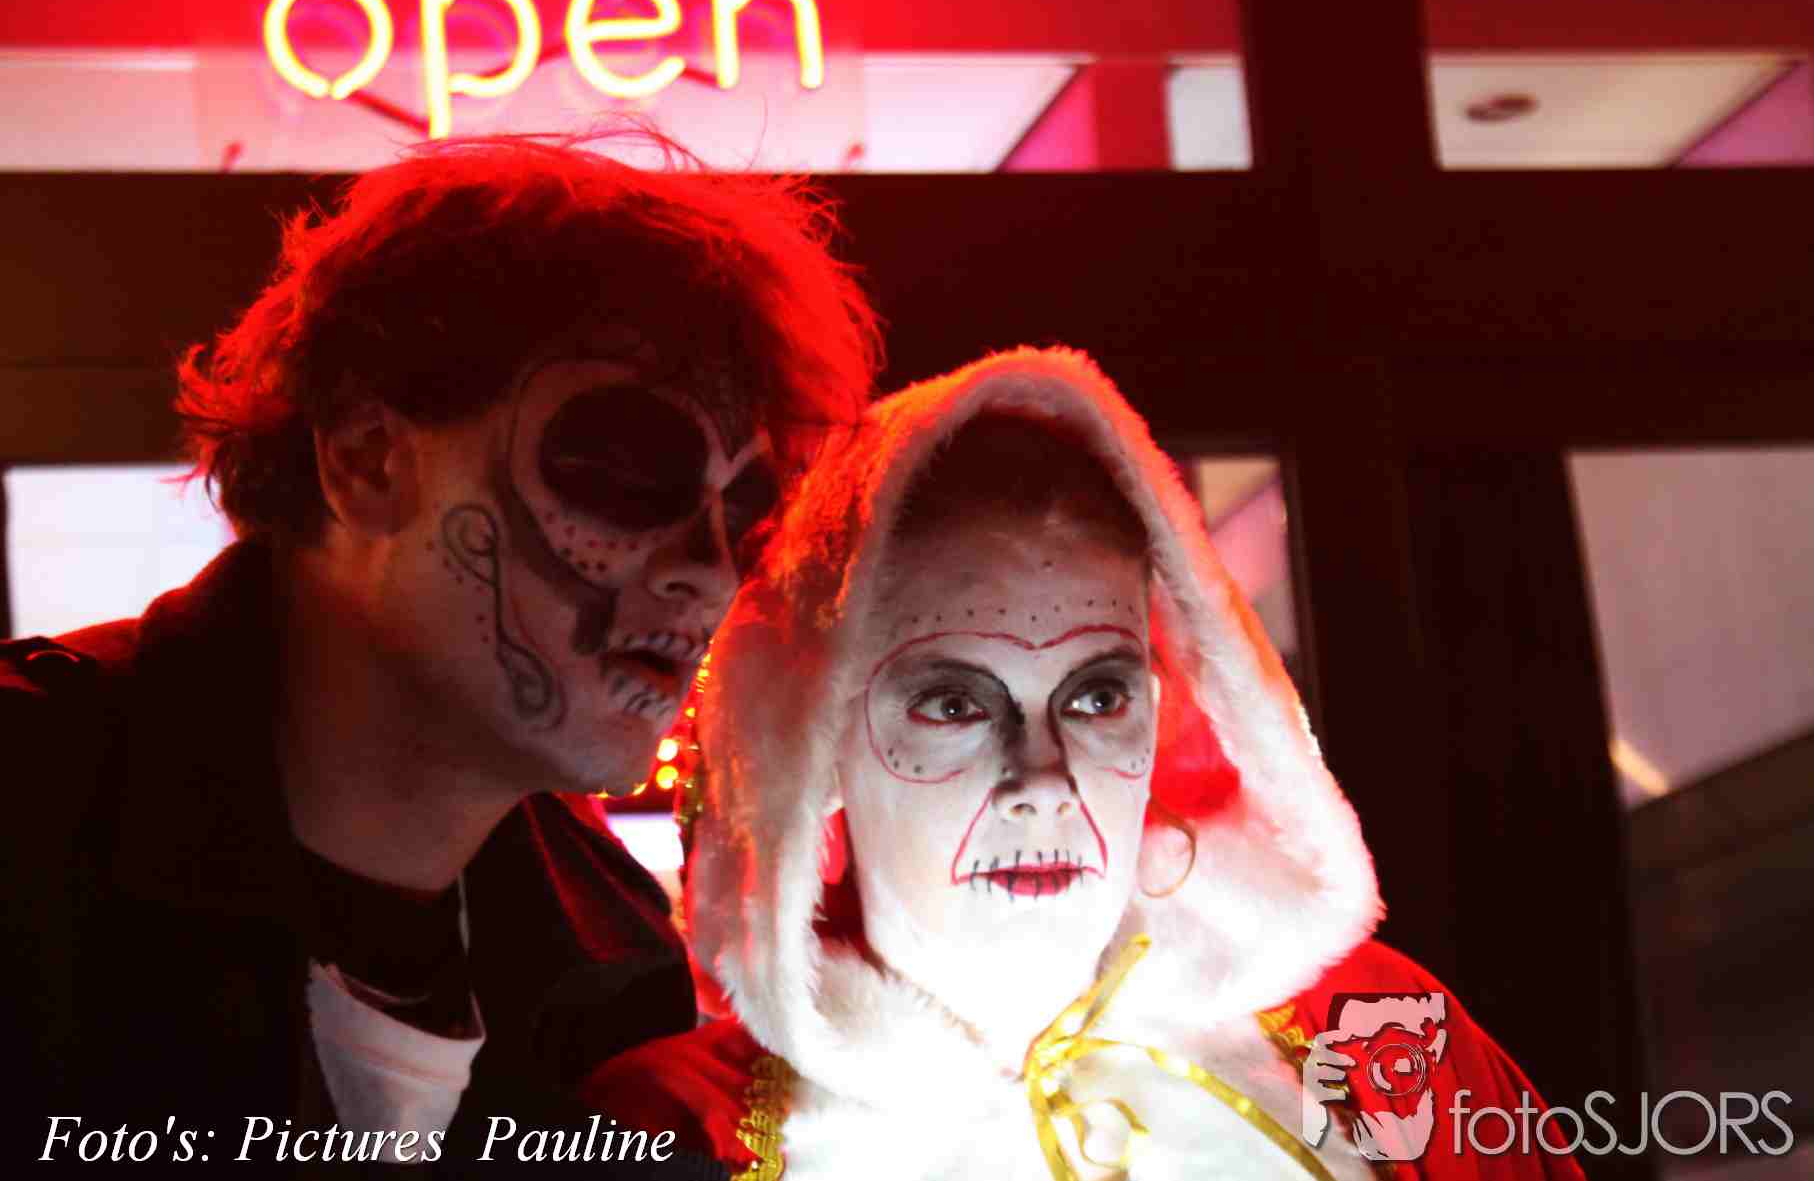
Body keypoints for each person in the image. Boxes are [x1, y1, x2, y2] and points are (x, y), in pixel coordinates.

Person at [1, 133, 879, 1172]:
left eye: (747, 511)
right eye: (621, 470)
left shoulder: (613, 959)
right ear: (365, 457)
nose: (711, 571)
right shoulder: (33, 810)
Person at [583, 347, 1587, 1179]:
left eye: (1097, 696)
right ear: (816, 747)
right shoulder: (673, 1134)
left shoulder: (1376, 1040)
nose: (1044, 780)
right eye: (954, 703)